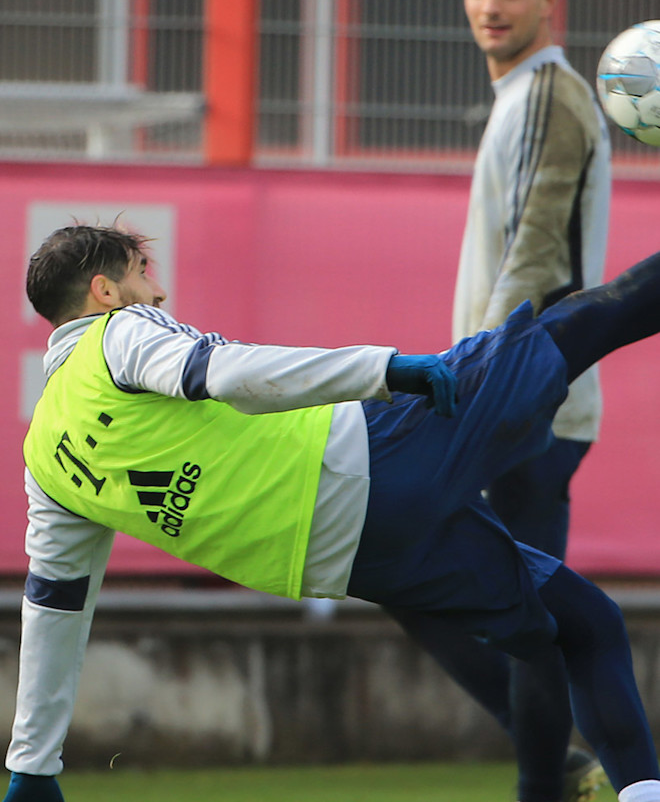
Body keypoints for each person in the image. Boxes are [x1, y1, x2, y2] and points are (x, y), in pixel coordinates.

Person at [5, 222, 660, 802]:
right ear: (105, 292)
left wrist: (32, 766)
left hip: (344, 559)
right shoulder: (117, 334)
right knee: (578, 324)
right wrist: (385, 369)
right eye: (143, 273)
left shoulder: (44, 461)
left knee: (586, 623)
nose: (159, 292)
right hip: (367, 459)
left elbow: (55, 607)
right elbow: (224, 370)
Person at [387, 0, 611, 801]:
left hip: (526, 398)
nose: (491, 6)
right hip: (524, 391)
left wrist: (480, 376)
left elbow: (534, 256)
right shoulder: (523, 94)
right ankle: (558, 770)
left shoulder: (550, 96)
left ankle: (551, 777)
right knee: (505, 607)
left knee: (409, 559)